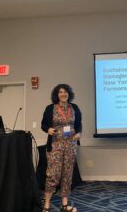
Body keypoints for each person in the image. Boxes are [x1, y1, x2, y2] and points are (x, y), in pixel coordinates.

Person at [41, 84, 82, 212]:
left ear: (69, 94)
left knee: (67, 175)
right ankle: (46, 205)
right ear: (56, 95)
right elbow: (44, 124)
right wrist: (48, 129)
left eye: (65, 92)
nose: (63, 94)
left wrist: (79, 133)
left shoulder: (74, 107)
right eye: (60, 92)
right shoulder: (50, 108)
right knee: (53, 175)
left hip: (70, 145)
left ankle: (64, 205)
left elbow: (78, 124)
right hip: (55, 145)